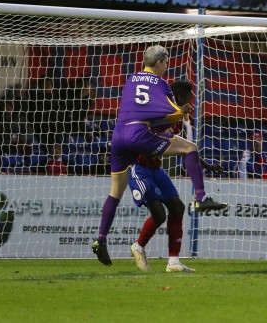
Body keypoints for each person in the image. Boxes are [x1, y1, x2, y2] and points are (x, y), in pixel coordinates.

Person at [91, 45, 224, 266]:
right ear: (160, 62)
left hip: (119, 135)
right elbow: (171, 111)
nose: (167, 66)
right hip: (139, 140)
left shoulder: (131, 79)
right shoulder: (160, 84)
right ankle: (200, 198)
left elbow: (142, 109)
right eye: (166, 62)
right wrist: (182, 111)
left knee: (115, 193)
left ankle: (101, 240)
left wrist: (205, 164)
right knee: (190, 147)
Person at [128, 134, 194, 273]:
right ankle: (138, 247)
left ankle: (173, 261)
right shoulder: (155, 116)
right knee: (159, 214)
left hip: (157, 170)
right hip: (139, 169)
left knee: (177, 207)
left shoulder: (175, 121)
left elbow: (182, 146)